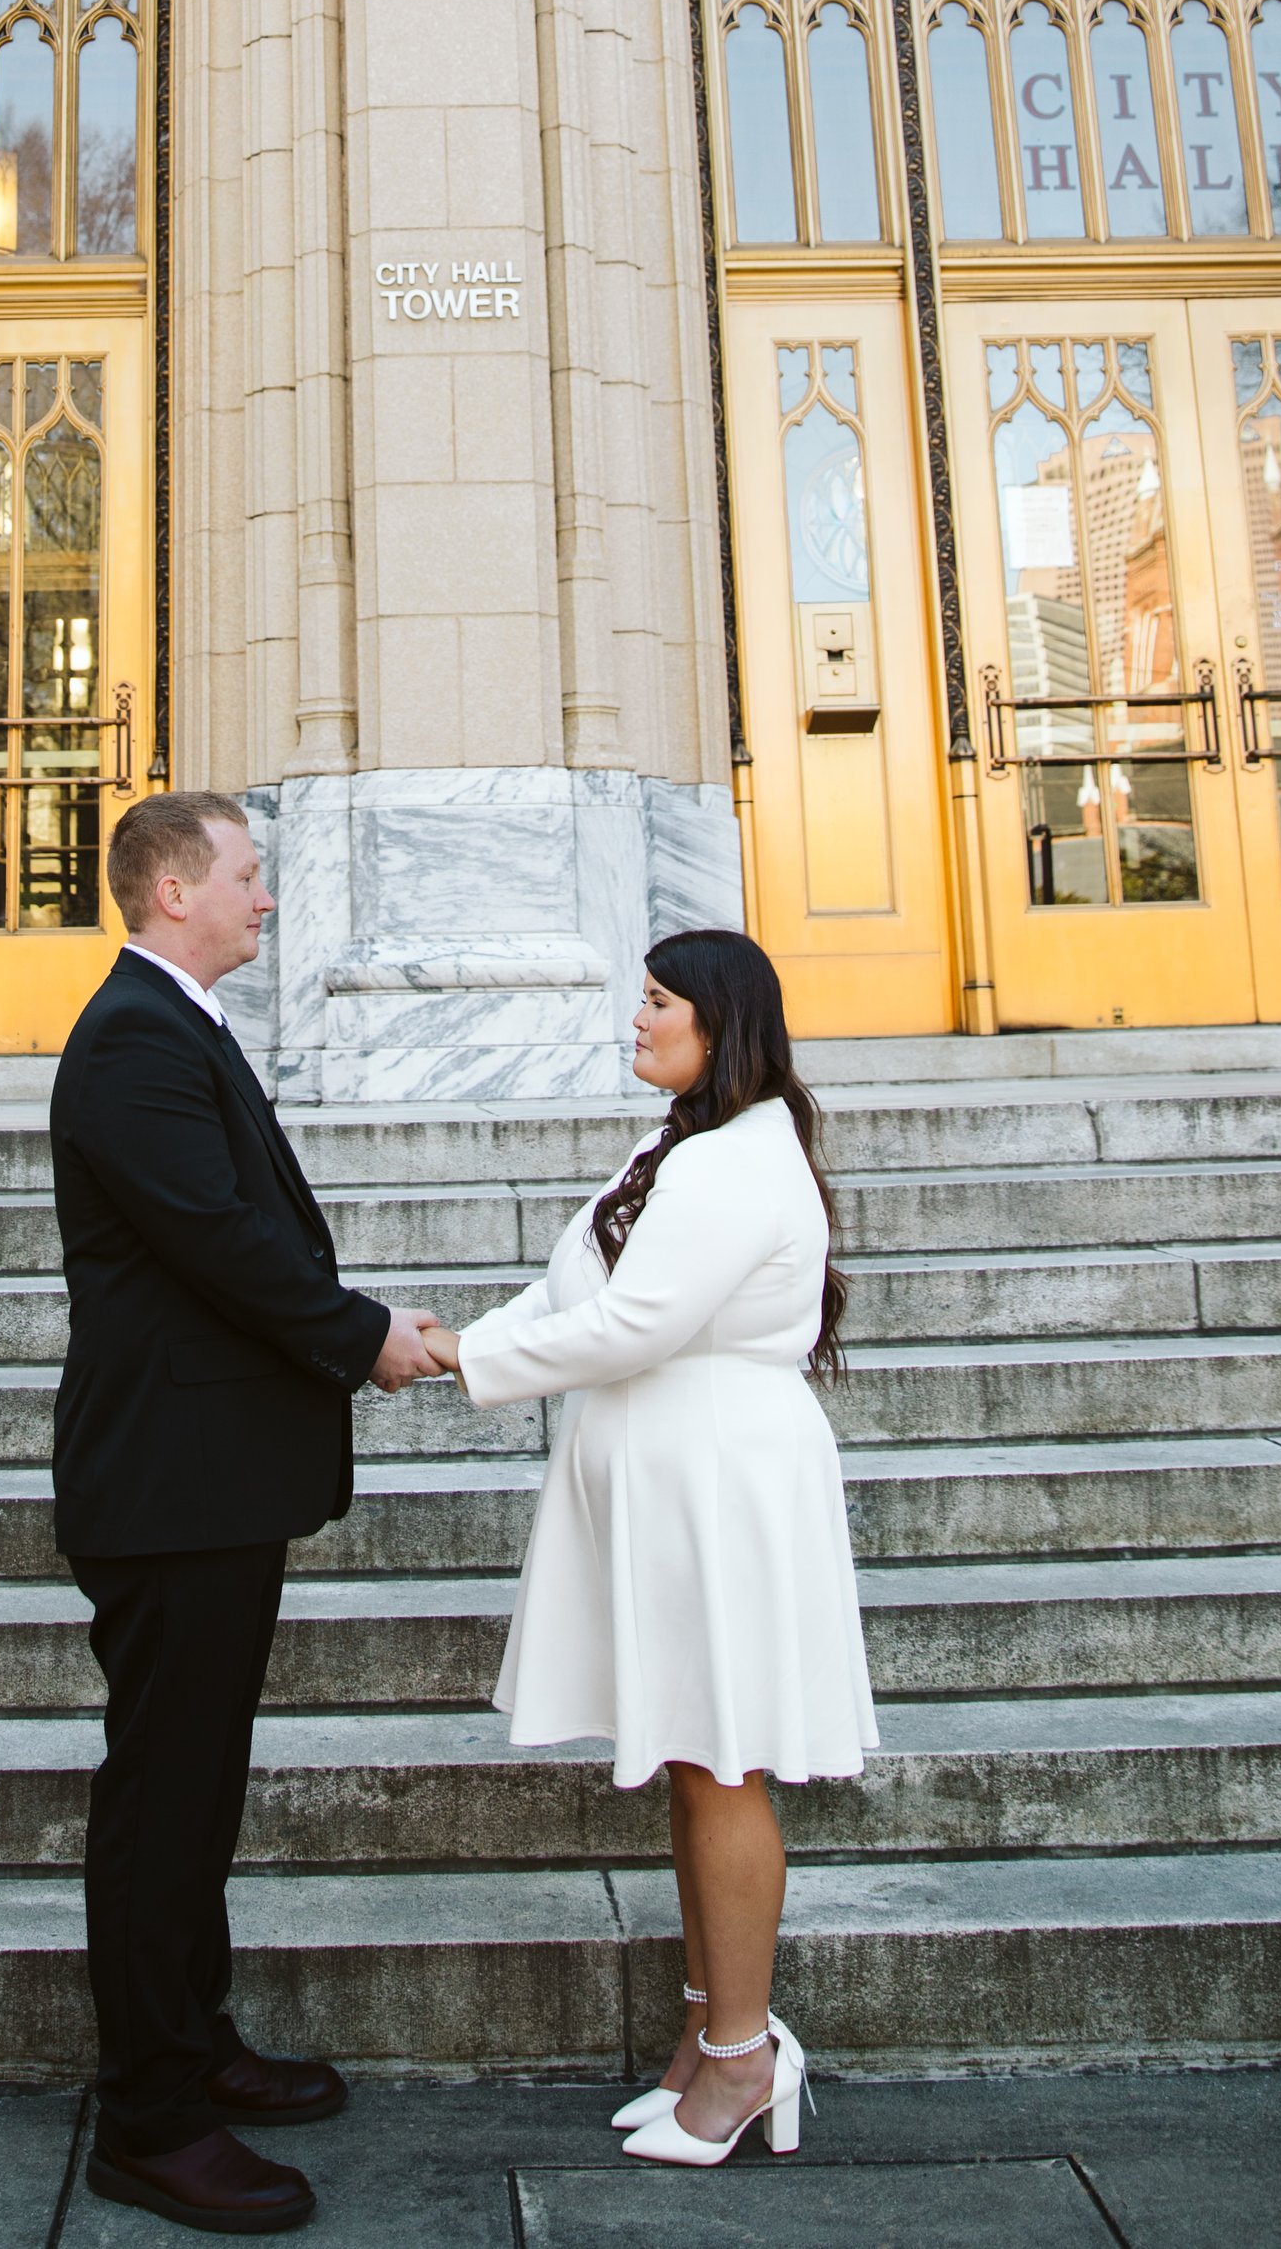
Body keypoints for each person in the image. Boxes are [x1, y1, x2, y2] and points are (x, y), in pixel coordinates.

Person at [51, 792, 444, 2238]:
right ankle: (149, 2118)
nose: (264, 896)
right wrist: (362, 1334)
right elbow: (216, 1240)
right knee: (162, 1799)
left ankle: (195, 2038)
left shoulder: (178, 1024)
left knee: (198, 1788)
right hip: (172, 1483)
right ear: (172, 890)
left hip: (208, 1476)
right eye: (245, 873)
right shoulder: (133, 1039)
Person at [420, 927, 872, 2170]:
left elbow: (634, 1324)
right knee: (689, 1754)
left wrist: (461, 1357)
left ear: (718, 1023)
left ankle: (741, 2059)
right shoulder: (676, 1144)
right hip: (672, 1474)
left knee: (720, 1762)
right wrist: (454, 1337)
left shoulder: (732, 1160)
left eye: (659, 1001)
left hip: (716, 1477)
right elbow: (573, 1294)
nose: (636, 1018)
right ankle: (704, 2036)